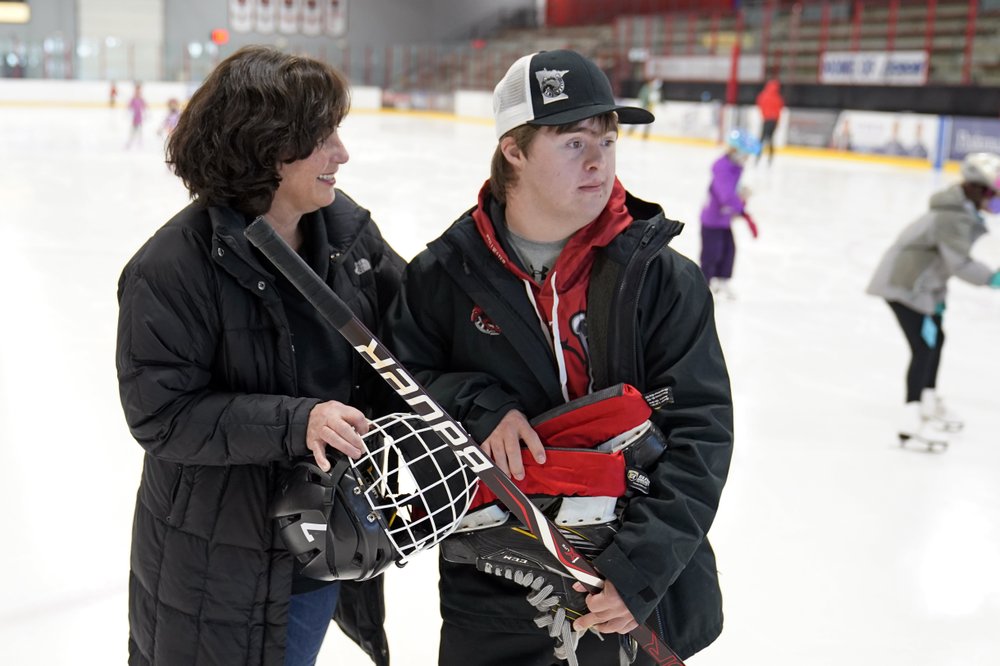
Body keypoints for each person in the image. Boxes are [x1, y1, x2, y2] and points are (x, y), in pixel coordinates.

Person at [382, 49, 734, 666]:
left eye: (607, 138)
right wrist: (477, 407)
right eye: (574, 142)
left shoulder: (662, 280)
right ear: (513, 150)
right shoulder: (441, 277)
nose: (599, 159)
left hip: (632, 595)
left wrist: (641, 571)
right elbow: (395, 393)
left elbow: (700, 431)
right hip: (494, 594)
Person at [116, 46, 404, 666]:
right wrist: (298, 421)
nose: (342, 154)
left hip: (321, 548)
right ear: (269, 147)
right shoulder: (171, 269)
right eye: (323, 137)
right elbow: (162, 415)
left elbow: (414, 337)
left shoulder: (349, 238)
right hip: (219, 570)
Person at [866, 152, 1000, 448]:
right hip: (905, 286)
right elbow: (958, 263)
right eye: (995, 193)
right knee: (924, 347)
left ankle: (927, 402)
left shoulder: (960, 211)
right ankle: (909, 425)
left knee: (936, 339)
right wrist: (992, 277)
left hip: (921, 286)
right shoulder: (953, 217)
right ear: (981, 189)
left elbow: (938, 262)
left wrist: (937, 299)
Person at [699, 129, 760, 300]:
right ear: (737, 152)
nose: (747, 159)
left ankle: (721, 281)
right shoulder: (723, 168)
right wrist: (740, 207)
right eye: (746, 155)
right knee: (711, 254)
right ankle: (705, 285)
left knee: (729, 251)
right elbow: (725, 195)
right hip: (712, 220)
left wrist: (741, 192)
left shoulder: (736, 167)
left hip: (724, 220)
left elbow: (731, 189)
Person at [754, 78, 784, 164]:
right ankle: (770, 159)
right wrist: (777, 121)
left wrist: (764, 114)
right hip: (773, 120)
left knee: (762, 139)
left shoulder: (764, 95)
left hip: (766, 119)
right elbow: (779, 109)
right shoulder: (778, 97)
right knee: (770, 139)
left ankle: (757, 157)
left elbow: (759, 104)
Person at [125, 81, 147, 148]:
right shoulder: (133, 99)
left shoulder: (141, 99)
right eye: (136, 91)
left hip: (139, 117)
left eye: (139, 91)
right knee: (133, 130)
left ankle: (139, 141)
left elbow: (145, 106)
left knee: (139, 129)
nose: (138, 92)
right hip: (134, 117)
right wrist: (129, 112)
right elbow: (128, 106)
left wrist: (146, 114)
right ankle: (131, 141)